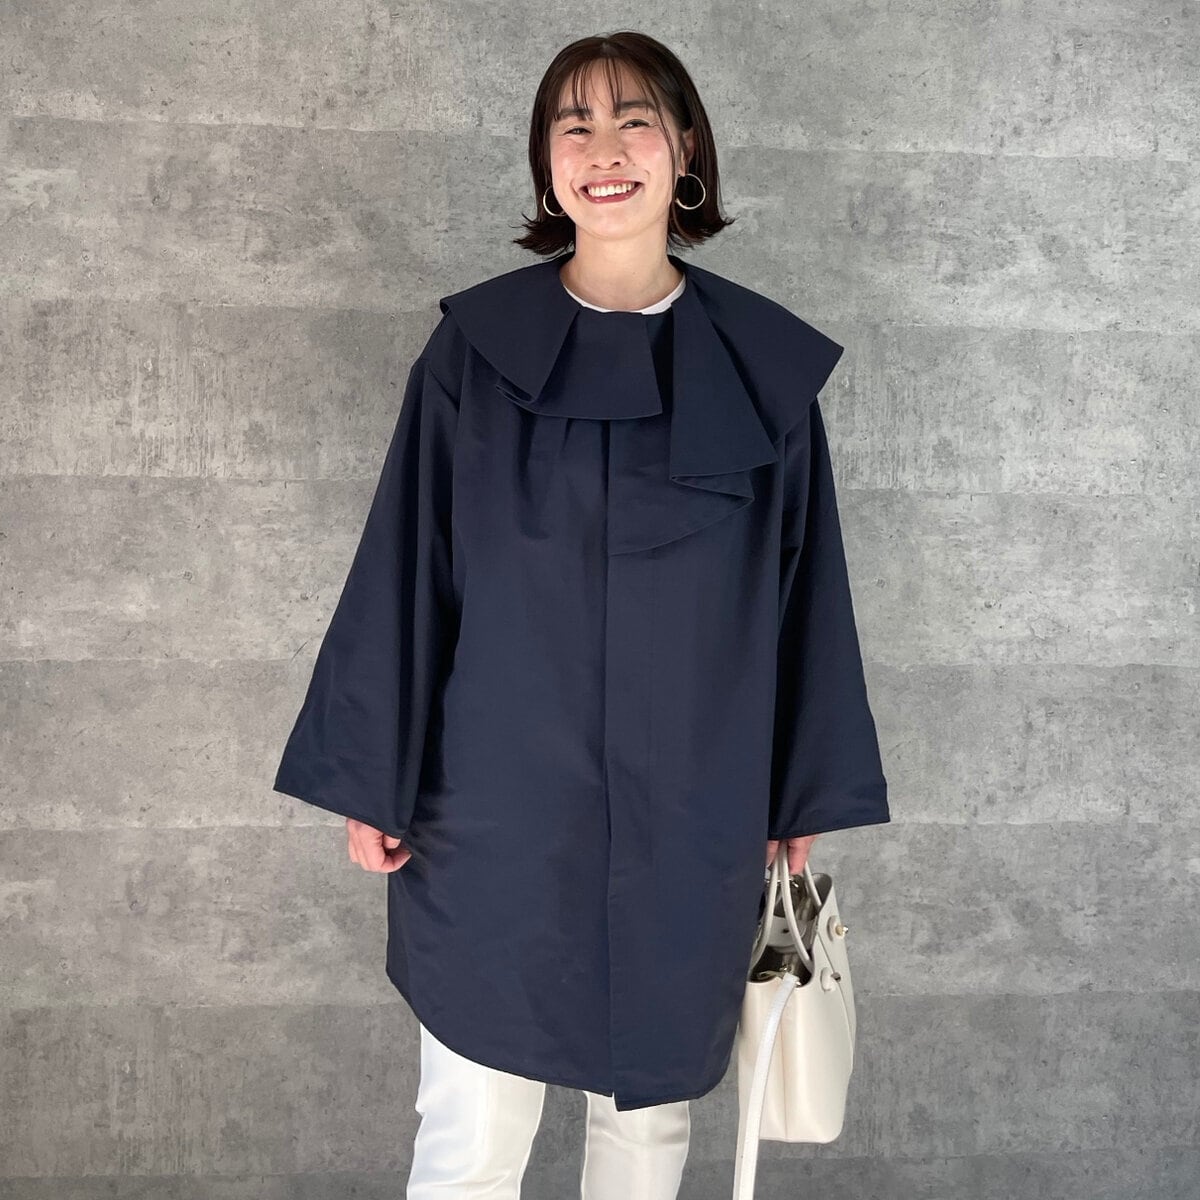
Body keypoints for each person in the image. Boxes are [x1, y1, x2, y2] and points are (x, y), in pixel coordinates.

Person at [273, 30, 890, 1199]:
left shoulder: (759, 373)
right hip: (493, 809)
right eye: (575, 126)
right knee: (467, 1139)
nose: (605, 151)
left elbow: (808, 592)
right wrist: (371, 773)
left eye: (633, 121)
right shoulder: (473, 355)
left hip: (691, 812)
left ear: (685, 149)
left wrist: (801, 792)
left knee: (647, 1135)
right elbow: (408, 564)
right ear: (546, 165)